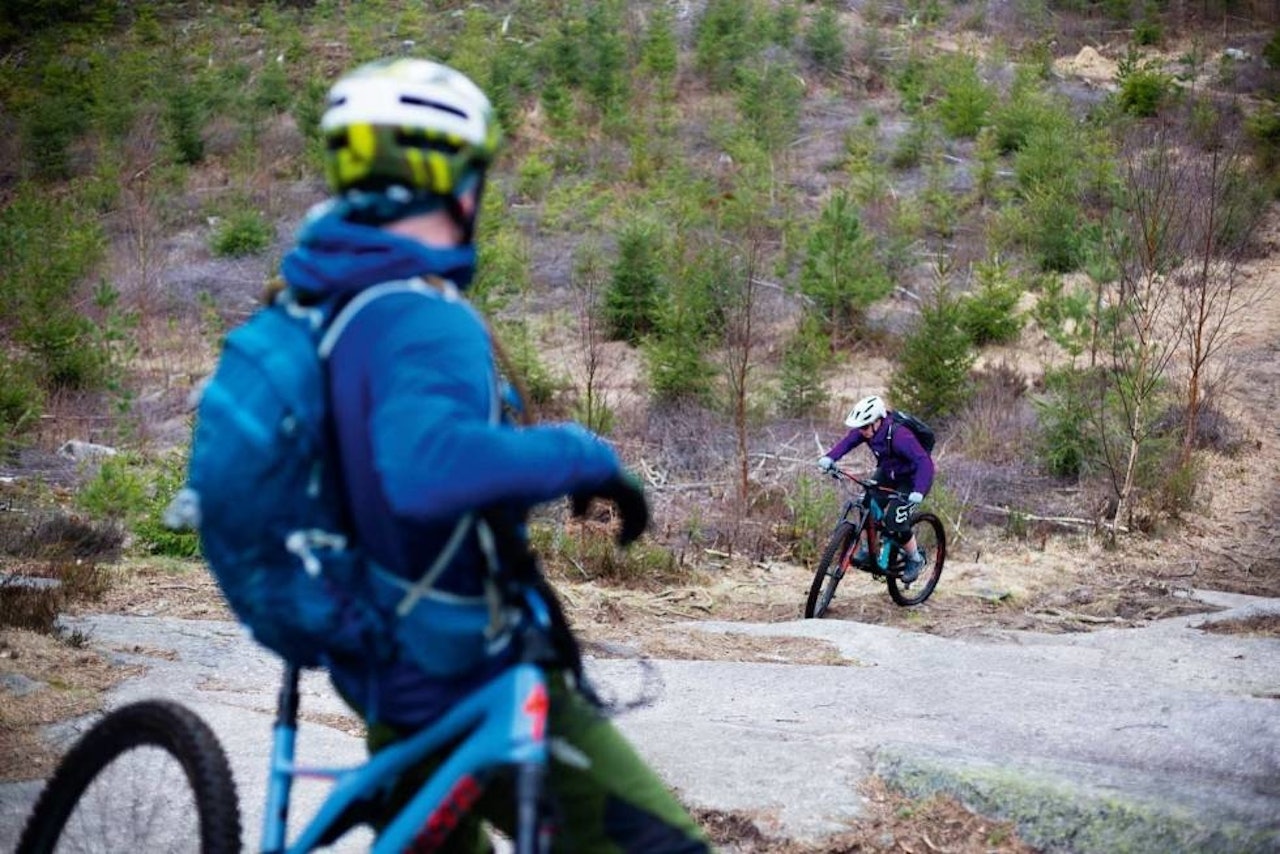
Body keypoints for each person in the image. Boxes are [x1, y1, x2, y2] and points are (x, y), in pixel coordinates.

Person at [279, 57, 711, 853]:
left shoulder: (322, 311)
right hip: (463, 671)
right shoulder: (422, 317)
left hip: (382, 676)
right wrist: (582, 457)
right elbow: (422, 468)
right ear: (453, 181)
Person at [817, 394, 934, 583]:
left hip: (912, 480)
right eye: (859, 427)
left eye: (864, 427)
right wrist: (830, 458)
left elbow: (924, 462)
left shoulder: (900, 436)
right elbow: (847, 443)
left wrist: (918, 491)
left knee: (895, 520)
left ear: (878, 421)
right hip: (888, 473)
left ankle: (915, 559)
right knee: (866, 505)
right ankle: (866, 549)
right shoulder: (866, 430)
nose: (861, 431)